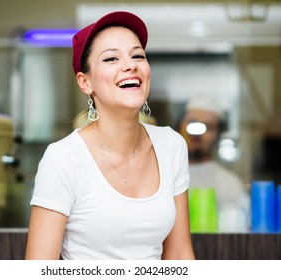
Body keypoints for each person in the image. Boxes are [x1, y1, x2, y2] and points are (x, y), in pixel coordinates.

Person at [25, 11, 195, 260]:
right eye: (111, 58)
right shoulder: (63, 158)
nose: (131, 65)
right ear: (85, 83)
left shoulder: (172, 145)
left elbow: (180, 255)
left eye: (138, 55)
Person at [176, 96, 250, 229]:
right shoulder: (161, 176)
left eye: (208, 127)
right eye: (191, 123)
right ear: (179, 126)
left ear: (218, 135)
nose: (197, 134)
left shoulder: (230, 184)